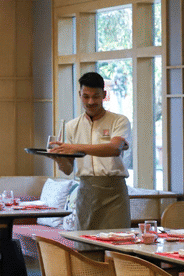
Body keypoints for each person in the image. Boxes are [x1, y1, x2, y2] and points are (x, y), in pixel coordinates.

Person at [49, 72, 131, 230]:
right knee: (85, 246)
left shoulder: (119, 120)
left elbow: (114, 149)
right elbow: (67, 170)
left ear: (104, 95)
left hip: (114, 193)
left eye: (95, 96)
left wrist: (75, 147)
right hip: (86, 192)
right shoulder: (72, 126)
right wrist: (58, 157)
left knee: (116, 245)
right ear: (80, 95)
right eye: (86, 97)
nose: (91, 101)